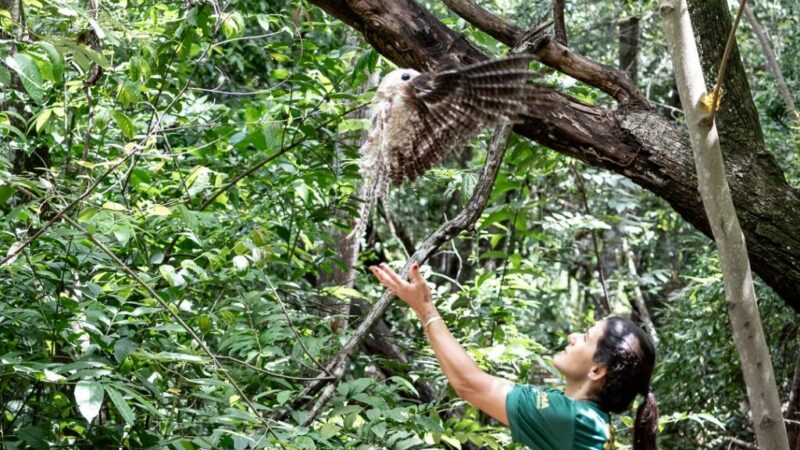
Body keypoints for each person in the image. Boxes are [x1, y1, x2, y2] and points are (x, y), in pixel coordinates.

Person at [370, 262, 658, 450]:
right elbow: (480, 382)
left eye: (585, 337)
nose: (572, 337)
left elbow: (469, 383)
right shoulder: (584, 419)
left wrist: (426, 310)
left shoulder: (571, 419)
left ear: (597, 370)